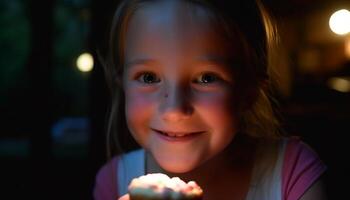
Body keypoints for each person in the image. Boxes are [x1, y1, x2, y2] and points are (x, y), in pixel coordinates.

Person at [93, 0, 327, 199]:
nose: (174, 109)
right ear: (121, 83)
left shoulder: (294, 173)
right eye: (148, 77)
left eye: (206, 78)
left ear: (249, 90)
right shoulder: (113, 182)